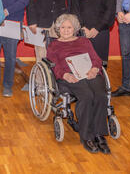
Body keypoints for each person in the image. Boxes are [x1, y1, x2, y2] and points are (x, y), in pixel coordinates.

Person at [47, 14, 110, 154]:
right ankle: (86, 136)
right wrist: (65, 75)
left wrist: (94, 69)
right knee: (86, 96)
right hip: (71, 76)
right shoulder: (54, 45)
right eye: (62, 27)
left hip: (89, 72)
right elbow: (54, 65)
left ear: (75, 28)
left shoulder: (84, 41)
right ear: (58, 29)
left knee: (101, 95)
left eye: (69, 27)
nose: (66, 30)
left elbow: (96, 59)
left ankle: (99, 134)